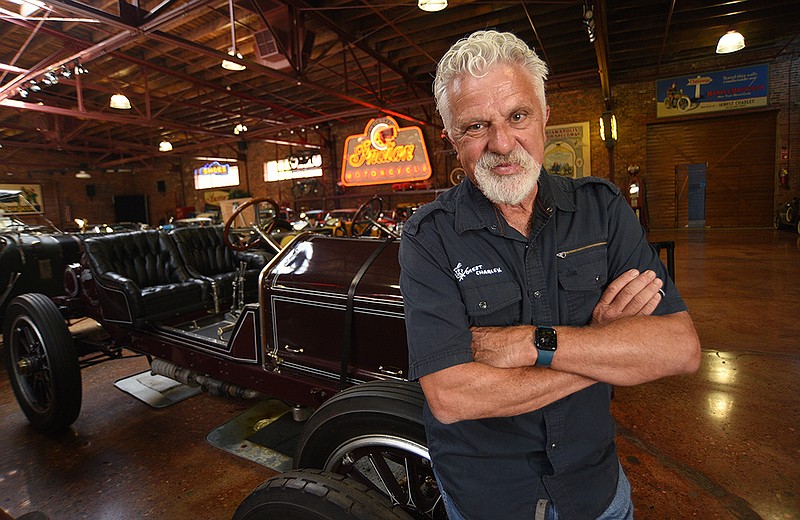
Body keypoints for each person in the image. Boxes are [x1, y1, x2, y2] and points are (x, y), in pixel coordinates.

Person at [399, 30, 701, 520]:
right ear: (452, 140)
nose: (502, 143)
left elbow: (679, 349)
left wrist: (531, 344)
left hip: (597, 489)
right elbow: (452, 396)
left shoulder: (601, 209)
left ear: (544, 118)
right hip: (491, 500)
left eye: (518, 116)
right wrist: (602, 346)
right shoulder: (427, 238)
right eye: (476, 126)